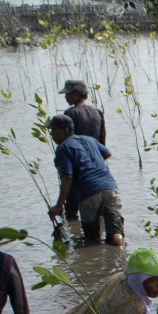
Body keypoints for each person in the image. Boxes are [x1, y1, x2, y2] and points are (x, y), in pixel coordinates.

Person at [46, 114, 124, 247]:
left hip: (89, 194)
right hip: (111, 188)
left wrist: (59, 205)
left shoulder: (63, 148)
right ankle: (119, 257)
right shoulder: (89, 140)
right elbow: (108, 153)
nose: (51, 134)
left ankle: (96, 263)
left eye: (53, 130)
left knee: (92, 239)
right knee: (115, 233)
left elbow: (67, 177)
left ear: (65, 130)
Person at [58, 79, 106, 223]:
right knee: (99, 209)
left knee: (72, 209)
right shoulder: (98, 112)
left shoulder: (71, 113)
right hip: (97, 167)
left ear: (77, 93)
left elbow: (68, 142)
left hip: (77, 167)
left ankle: (75, 233)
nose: (65, 97)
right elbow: (102, 142)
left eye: (68, 94)